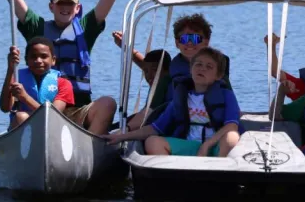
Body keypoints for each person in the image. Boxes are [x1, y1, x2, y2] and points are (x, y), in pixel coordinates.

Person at [0, 0, 125, 134]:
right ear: (51, 7)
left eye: (70, 4)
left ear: (77, 8)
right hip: (37, 108)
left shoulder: (86, 28)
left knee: (108, 104)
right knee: (21, 116)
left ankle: (91, 148)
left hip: (77, 109)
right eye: (59, 3)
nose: (65, 8)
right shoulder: (36, 27)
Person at [102, 47, 240, 158]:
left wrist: (207, 145)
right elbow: (154, 128)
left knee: (232, 137)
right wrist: (122, 136)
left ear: (219, 75)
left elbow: (231, 126)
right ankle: (174, 175)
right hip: (189, 146)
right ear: (190, 69)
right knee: (152, 141)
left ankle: (216, 172)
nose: (202, 68)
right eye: (198, 64)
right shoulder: (181, 97)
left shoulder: (226, 94)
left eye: (209, 66)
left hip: (214, 147)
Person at [0, 37, 74, 131]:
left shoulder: (64, 84)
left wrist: (25, 98)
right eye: (33, 57)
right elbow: (5, 108)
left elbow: (53, 115)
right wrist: (10, 69)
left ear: (53, 60)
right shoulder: (17, 79)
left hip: (50, 128)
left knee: (22, 116)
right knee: (21, 117)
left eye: (44, 56)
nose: (38, 61)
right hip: (19, 129)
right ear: (26, 60)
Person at [111, 30, 172, 126]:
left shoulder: (166, 84)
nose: (149, 75)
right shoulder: (156, 82)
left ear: (168, 70)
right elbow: (144, 64)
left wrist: (124, 129)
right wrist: (125, 47)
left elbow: (147, 115)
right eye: (146, 72)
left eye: (155, 70)